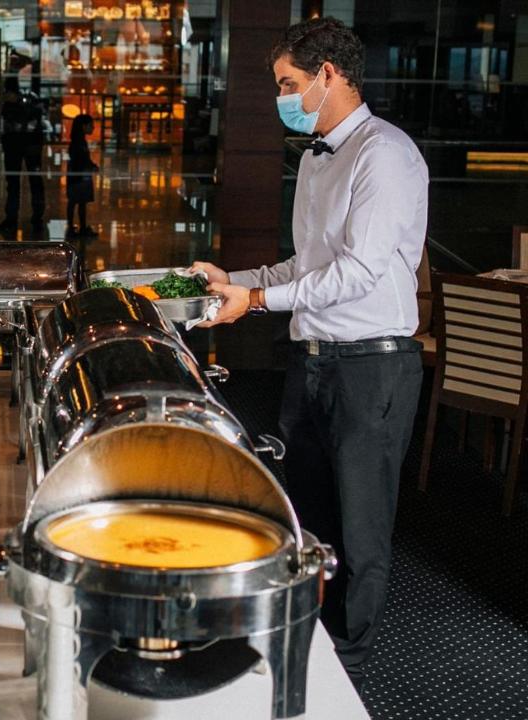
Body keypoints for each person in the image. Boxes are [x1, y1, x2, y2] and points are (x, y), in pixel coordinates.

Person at [191, 17, 428, 694]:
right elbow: (305, 266)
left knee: (359, 529)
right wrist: (236, 284)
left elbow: (358, 273)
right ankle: (310, 646)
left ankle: (347, 670)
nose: (282, 99)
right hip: (314, 359)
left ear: (328, 74)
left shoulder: (385, 154)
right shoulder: (320, 157)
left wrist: (256, 302)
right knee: (309, 521)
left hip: (371, 366)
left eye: (288, 83)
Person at [0, 75, 46, 234]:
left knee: (23, 183)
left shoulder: (24, 104)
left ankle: (25, 218)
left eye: (7, 93)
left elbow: (25, 126)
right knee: (23, 183)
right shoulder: (23, 104)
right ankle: (24, 219)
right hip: (22, 147)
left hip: (21, 147)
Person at [66, 114, 99, 237]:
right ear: (83, 126)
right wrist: (89, 166)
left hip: (78, 175)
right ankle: (78, 228)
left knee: (77, 201)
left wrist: (91, 165)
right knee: (77, 201)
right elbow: (80, 159)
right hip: (79, 176)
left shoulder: (79, 141)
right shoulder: (78, 142)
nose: (93, 128)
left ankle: (75, 227)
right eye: (91, 125)